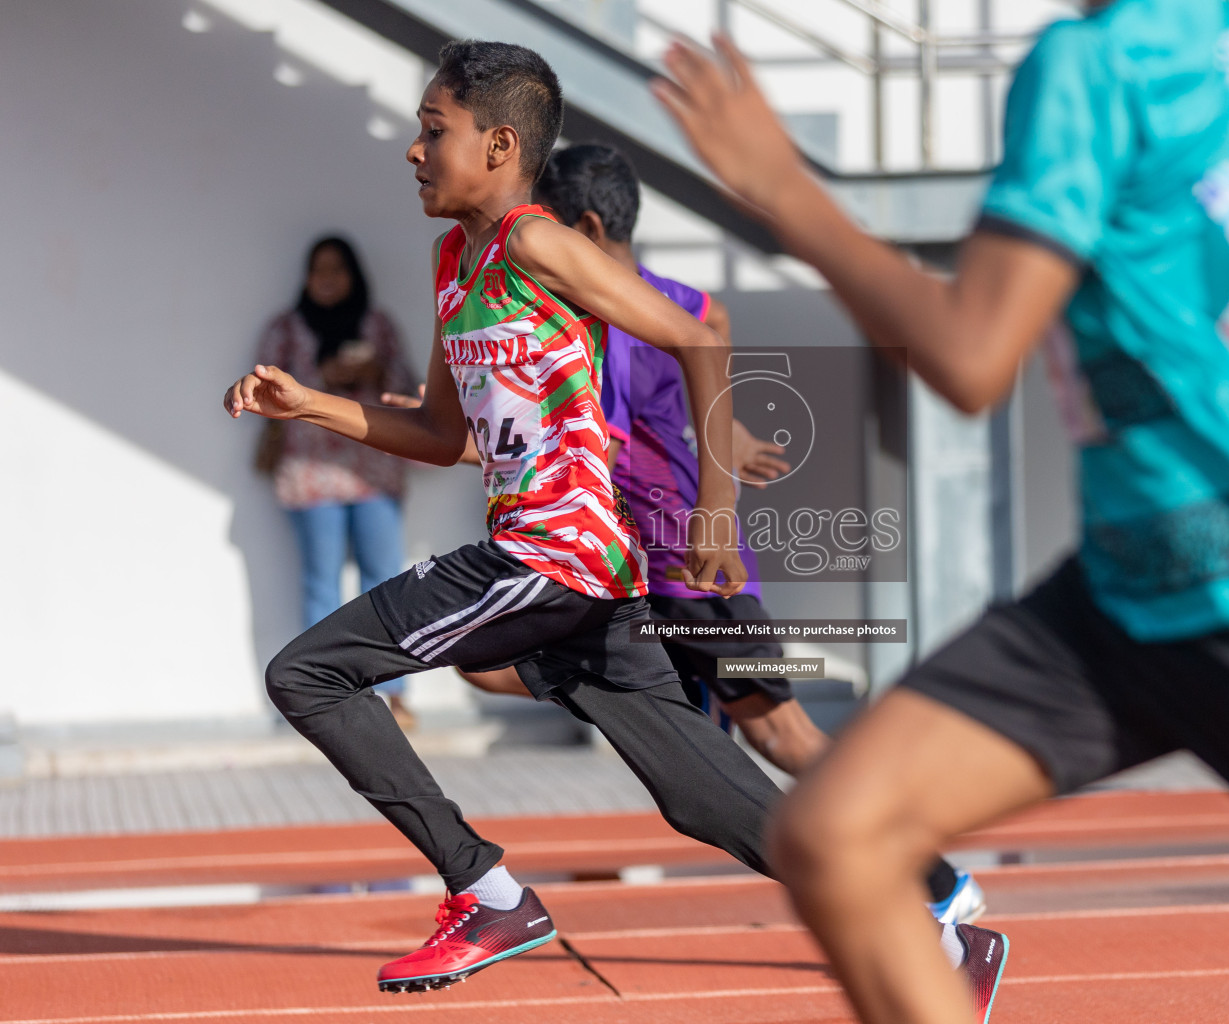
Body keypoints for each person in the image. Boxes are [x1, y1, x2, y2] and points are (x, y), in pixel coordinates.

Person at [654, 6, 1229, 1024]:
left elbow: (972, 356)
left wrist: (785, 192)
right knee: (838, 836)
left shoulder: (1088, 63)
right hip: (1131, 586)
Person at [222, 40, 1005, 1005]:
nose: (414, 151)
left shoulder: (536, 243)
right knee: (707, 799)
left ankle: (487, 891)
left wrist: (715, 516)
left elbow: (698, 333)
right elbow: (436, 431)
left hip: (551, 556)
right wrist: (311, 407)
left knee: (307, 670)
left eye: (435, 131)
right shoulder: (452, 262)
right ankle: (938, 938)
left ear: (500, 143)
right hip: (596, 584)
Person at [464, 141, 987, 925]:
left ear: (589, 228)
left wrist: (467, 431)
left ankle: (934, 881)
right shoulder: (695, 305)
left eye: (548, 228)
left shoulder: (601, 322)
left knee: (785, 736)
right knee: (484, 661)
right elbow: (707, 390)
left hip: (683, 575)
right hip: (646, 575)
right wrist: (728, 438)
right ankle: (670, 717)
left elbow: (590, 439)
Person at [254, 237, 419, 728]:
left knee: (387, 585)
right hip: (311, 476)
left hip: (374, 473)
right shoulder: (286, 329)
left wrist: (375, 368)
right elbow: (264, 388)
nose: (327, 279)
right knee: (321, 587)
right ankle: (320, 699)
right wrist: (318, 372)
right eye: (317, 270)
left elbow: (409, 386)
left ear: (355, 275)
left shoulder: (378, 325)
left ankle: (395, 695)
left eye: (337, 269)